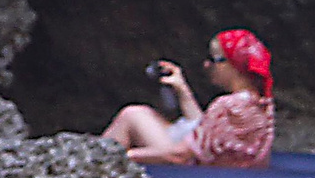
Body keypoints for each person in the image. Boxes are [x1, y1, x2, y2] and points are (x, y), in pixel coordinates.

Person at [102, 29, 275, 167]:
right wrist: (181, 88)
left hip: (197, 169)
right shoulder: (259, 102)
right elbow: (206, 132)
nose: (207, 65)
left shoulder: (228, 105)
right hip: (212, 165)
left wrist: (124, 156)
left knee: (131, 114)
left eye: (214, 59)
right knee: (139, 114)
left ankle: (90, 163)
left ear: (233, 65)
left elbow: (179, 156)